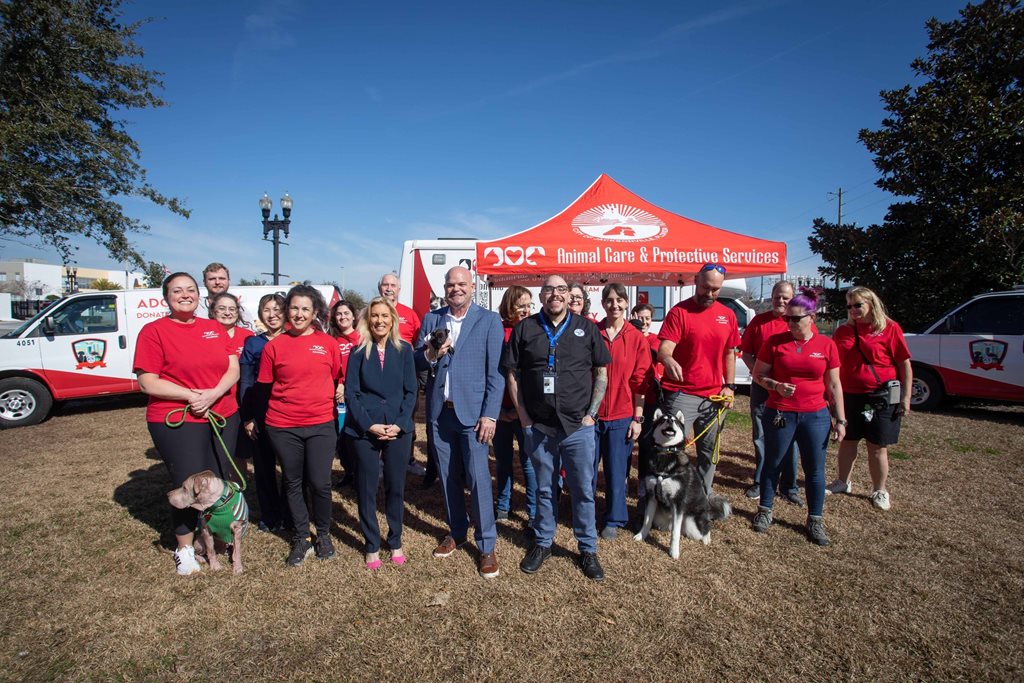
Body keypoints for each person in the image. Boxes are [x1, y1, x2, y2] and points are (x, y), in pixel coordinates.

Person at [133, 272, 240, 575]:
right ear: (166, 296)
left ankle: (215, 540)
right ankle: (184, 548)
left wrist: (214, 394)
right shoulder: (154, 331)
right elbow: (147, 382)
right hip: (178, 418)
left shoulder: (214, 328)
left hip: (222, 413)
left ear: (199, 294)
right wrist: (192, 396)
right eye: (177, 290)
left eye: (190, 290)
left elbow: (232, 369)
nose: (185, 295)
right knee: (189, 483)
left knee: (218, 479)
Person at [505, 275, 611, 581]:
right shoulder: (526, 328)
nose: (556, 294)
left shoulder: (587, 328)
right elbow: (511, 373)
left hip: (578, 426)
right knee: (543, 488)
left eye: (561, 290)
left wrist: (592, 414)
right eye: (550, 289)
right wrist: (523, 416)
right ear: (542, 295)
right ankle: (542, 542)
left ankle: (587, 549)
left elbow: (601, 372)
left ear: (569, 296)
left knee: (583, 490)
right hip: (539, 427)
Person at [417, 266, 505, 579]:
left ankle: (486, 544)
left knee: (479, 478)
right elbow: (418, 360)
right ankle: (457, 530)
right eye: (451, 284)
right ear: (444, 287)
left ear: (472, 287)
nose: (456, 289)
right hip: (441, 412)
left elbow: (496, 373)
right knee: (447, 475)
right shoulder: (432, 319)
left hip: (473, 415)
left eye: (461, 284)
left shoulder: (489, 320)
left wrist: (489, 414)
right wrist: (432, 352)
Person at [751, 288, 846, 545]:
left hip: (815, 415)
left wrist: (840, 419)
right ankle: (765, 510)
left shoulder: (826, 345)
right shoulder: (775, 342)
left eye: (796, 318)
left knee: (815, 470)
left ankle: (815, 519)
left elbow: (834, 385)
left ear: (811, 317)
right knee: (773, 463)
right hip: (780, 411)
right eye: (787, 319)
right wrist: (776, 386)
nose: (790, 323)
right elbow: (758, 375)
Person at [257, 285, 343, 566]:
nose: (299, 314)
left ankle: (324, 534)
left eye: (305, 309)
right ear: (286, 311)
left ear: (315, 312)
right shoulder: (273, 346)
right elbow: (265, 387)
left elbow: (335, 377)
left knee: (320, 483)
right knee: (292, 482)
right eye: (294, 308)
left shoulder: (328, 344)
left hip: (320, 424)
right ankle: (301, 537)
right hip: (283, 426)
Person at [344, 297, 418, 569]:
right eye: (375, 316)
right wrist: (369, 425)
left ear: (393, 319)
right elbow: (351, 394)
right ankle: (372, 544)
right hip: (366, 429)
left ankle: (395, 540)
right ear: (367, 319)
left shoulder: (405, 350)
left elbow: (412, 391)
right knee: (366, 488)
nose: (379, 321)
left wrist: (399, 423)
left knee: (395, 487)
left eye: (385, 316)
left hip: (398, 428)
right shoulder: (357, 352)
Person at [656, 264, 740, 493]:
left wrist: (729, 386)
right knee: (672, 448)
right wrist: (668, 360)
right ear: (696, 281)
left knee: (710, 450)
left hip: (713, 396)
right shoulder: (679, 312)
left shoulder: (728, 315)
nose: (710, 294)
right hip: (682, 393)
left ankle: (702, 496)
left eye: (716, 289)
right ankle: (669, 495)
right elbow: (664, 348)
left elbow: (729, 353)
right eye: (705, 287)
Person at [828, 286, 912, 510]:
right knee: (847, 440)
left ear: (871, 304)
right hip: (849, 395)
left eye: (858, 305)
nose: (853, 310)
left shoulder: (890, 328)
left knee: (877, 445)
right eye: (849, 306)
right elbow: (833, 364)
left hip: (880, 396)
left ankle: (879, 490)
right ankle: (842, 482)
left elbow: (904, 363)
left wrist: (906, 396)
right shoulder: (843, 331)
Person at [593, 283, 650, 539]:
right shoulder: (593, 332)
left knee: (617, 471)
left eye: (619, 300)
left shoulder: (636, 338)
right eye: (609, 300)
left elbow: (641, 381)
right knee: (587, 470)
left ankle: (614, 519)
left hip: (622, 414)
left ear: (627, 303)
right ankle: (587, 513)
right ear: (603, 303)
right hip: (592, 415)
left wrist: (637, 417)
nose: (614, 304)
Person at [739, 281, 805, 506]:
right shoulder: (759, 321)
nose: (781, 301)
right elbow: (746, 352)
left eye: (785, 297)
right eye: (777, 296)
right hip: (762, 387)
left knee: (790, 438)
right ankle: (761, 481)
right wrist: (757, 373)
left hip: (790, 391)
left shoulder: (800, 322)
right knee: (761, 435)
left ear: (793, 297)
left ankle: (789, 486)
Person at [239, 293, 290, 532]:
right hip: (261, 413)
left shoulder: (294, 339)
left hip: (290, 413)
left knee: (292, 468)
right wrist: (248, 417)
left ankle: (291, 514)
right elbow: (246, 382)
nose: (273, 315)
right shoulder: (253, 343)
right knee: (264, 467)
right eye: (267, 310)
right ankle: (271, 516)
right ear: (260, 315)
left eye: (278, 309)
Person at [493, 286, 538, 525]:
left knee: (529, 463)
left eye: (529, 305)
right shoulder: (497, 330)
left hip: (526, 412)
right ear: (509, 305)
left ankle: (533, 512)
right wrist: (498, 410)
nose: (525, 310)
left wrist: (523, 412)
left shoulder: (534, 330)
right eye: (521, 305)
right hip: (499, 410)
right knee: (502, 461)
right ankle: (503, 505)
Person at [378, 272, 427, 478]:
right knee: (378, 416)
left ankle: (408, 459)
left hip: (405, 375)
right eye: (385, 284)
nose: (389, 288)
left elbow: (419, 344)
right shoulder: (372, 312)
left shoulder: (409, 314)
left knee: (408, 416)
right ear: (379, 287)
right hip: (377, 375)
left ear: (399, 289)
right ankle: (379, 463)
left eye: (393, 285)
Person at [210, 292, 255, 479]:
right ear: (213, 311)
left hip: (240, 403)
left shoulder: (247, 337)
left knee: (238, 453)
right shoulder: (205, 335)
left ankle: (237, 493)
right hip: (213, 403)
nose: (227, 313)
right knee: (215, 452)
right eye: (222, 308)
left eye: (232, 309)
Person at [329, 299, 362, 489]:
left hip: (354, 393)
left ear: (353, 316)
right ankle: (348, 472)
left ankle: (359, 474)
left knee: (355, 435)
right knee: (340, 437)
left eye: (346, 313)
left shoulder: (361, 338)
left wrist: (344, 385)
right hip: (335, 395)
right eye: (339, 314)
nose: (342, 317)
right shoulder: (331, 339)